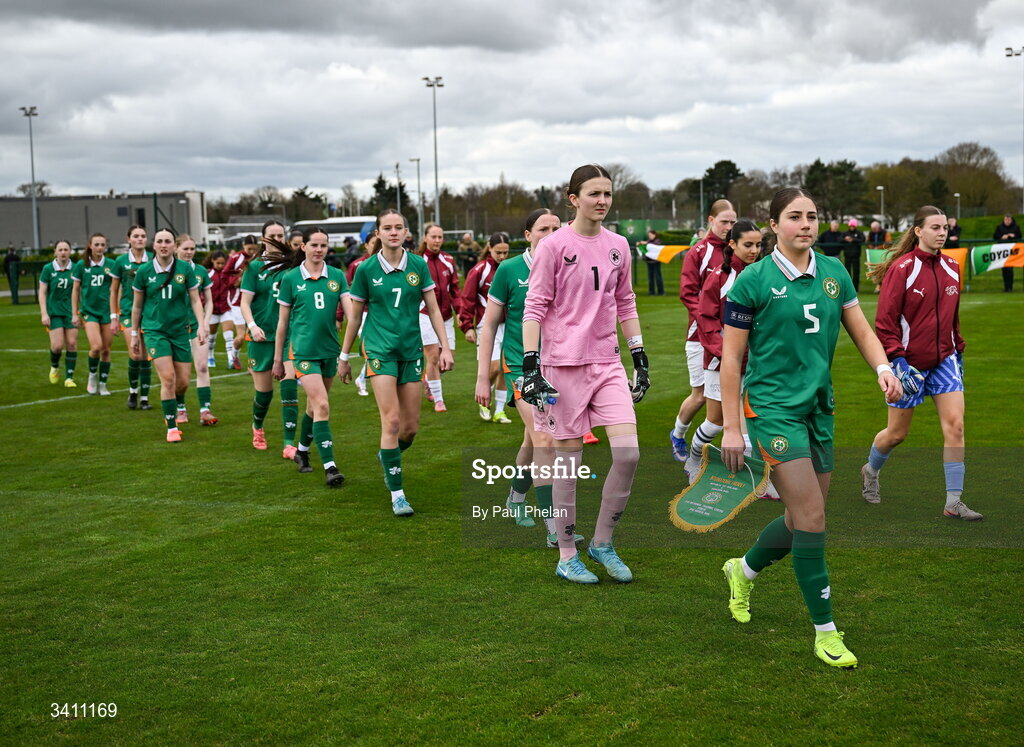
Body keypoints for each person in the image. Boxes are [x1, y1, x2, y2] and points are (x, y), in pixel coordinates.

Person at [718, 188, 902, 670]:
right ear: (773, 225)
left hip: (819, 408)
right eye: (794, 217)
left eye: (812, 216)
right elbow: (732, 358)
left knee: (803, 518)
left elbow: (861, 329)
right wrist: (732, 427)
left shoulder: (834, 272)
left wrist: (883, 368)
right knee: (814, 518)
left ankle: (743, 569)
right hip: (772, 411)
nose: (806, 224)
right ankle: (825, 632)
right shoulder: (751, 283)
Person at [520, 164, 650, 585]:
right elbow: (535, 306)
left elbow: (626, 302)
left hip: (608, 363)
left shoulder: (619, 246)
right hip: (561, 368)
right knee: (567, 464)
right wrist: (530, 364)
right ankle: (567, 553)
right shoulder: (553, 246)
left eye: (608, 194)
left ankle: (603, 542)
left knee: (628, 453)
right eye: (594, 194)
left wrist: (639, 355)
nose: (602, 201)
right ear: (573, 198)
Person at [474, 208, 585, 547]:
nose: (550, 233)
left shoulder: (570, 263)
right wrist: (482, 376)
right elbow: (489, 324)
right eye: (542, 228)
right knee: (545, 440)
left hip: (559, 367)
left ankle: (515, 499)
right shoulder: (509, 270)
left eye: (556, 227)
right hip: (520, 368)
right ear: (528, 234)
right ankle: (555, 529)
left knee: (531, 439)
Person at [862, 206, 981, 521]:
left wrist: (959, 350)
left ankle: (953, 502)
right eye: (935, 227)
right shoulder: (901, 269)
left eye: (945, 227)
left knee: (955, 426)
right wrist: (898, 363)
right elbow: (884, 324)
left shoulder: (953, 266)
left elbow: (952, 319)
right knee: (897, 434)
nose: (942, 233)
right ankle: (871, 470)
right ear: (918, 231)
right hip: (908, 365)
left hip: (946, 359)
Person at [339, 210, 454, 515]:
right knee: (390, 421)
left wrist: (445, 347)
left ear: (406, 232)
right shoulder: (365, 270)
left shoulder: (418, 265)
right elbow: (354, 317)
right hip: (379, 351)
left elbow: (433, 308)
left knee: (410, 429)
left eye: (398, 227)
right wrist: (344, 356)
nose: (393, 232)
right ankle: (397, 494)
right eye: (387, 228)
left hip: (411, 352)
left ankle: (387, 457)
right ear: (378, 232)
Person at [270, 227, 353, 486]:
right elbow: (282, 324)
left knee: (312, 407)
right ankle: (330, 467)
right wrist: (277, 360)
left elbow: (351, 314)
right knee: (323, 406)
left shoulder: (337, 276)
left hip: (329, 351)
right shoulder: (291, 278)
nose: (319, 250)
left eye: (323, 245)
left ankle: (302, 452)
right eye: (314, 245)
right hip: (303, 353)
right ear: (303, 247)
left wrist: (348, 352)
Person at [687, 220, 764, 477]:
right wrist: (726, 352)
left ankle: (755, 480)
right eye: (748, 245)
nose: (754, 250)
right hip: (721, 363)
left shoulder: (763, 274)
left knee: (754, 420)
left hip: (756, 364)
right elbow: (706, 319)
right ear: (732, 244)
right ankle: (694, 457)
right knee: (716, 422)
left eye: (758, 245)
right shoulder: (718, 277)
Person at [671, 200, 737, 461]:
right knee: (699, 396)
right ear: (711, 220)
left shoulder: (738, 251)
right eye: (724, 222)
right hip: (700, 337)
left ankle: (727, 451)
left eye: (733, 223)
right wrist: (711, 322)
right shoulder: (698, 252)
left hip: (734, 337)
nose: (729, 227)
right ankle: (678, 435)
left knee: (732, 396)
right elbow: (688, 294)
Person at [130, 229, 206, 442]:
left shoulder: (185, 270)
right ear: (153, 245)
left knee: (183, 382)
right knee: (168, 378)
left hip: (180, 331)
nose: (164, 245)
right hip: (155, 332)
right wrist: (135, 334)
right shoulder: (144, 271)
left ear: (174, 245)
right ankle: (171, 427)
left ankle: (177, 404)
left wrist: (201, 325)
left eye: (168, 241)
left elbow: (195, 299)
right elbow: (137, 307)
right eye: (160, 241)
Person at [240, 221, 300, 456]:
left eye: (280, 234)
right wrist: (252, 326)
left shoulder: (294, 265)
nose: (276, 238)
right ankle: (258, 426)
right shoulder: (254, 267)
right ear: (263, 239)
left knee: (289, 388)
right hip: (261, 337)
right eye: (271, 235)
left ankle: (288, 443)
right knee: (264, 394)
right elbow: (245, 303)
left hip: (287, 338)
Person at [459, 232, 511, 423]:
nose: (503, 256)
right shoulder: (480, 270)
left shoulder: (510, 268)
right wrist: (467, 326)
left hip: (510, 326)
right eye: (499, 252)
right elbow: (467, 298)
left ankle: (499, 410)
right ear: (489, 248)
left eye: (506, 253)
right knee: (495, 367)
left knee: (506, 368)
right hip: (486, 326)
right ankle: (483, 396)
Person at [174, 234, 217, 426]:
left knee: (202, 366)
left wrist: (205, 322)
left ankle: (205, 410)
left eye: (192, 249)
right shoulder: (170, 270)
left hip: (196, 326)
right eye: (185, 248)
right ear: (177, 249)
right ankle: (180, 409)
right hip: (175, 328)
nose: (189, 252)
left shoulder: (200, 271)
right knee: (180, 374)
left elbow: (208, 300)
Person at [417, 222, 460, 412]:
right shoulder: (417, 261)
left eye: (440, 237)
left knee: (448, 360)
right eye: (433, 237)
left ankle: (428, 378)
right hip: (424, 314)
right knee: (434, 356)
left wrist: (460, 313)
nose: (437, 240)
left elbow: (455, 290)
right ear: (425, 238)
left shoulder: (448, 260)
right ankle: (438, 400)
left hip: (446, 316)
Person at [109, 225, 152, 408]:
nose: (140, 239)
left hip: (149, 314)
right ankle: (133, 392)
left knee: (147, 356)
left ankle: (144, 398)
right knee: (136, 354)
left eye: (143, 236)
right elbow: (114, 290)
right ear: (129, 239)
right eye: (136, 236)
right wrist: (114, 316)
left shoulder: (153, 260)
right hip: (127, 312)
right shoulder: (120, 261)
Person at [71, 233, 115, 395]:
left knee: (106, 350)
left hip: (107, 312)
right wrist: (75, 313)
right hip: (89, 311)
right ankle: (92, 376)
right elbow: (75, 289)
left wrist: (116, 311)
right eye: (96, 244)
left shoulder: (111, 264)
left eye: (102, 245)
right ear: (90, 245)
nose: (100, 248)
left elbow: (116, 289)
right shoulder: (81, 265)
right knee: (96, 347)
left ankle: (103, 384)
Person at [38, 239, 78, 387]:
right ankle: (54, 367)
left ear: (70, 252)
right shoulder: (48, 269)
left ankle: (69, 378)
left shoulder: (76, 268)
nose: (63, 252)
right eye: (60, 250)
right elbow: (42, 292)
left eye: (66, 249)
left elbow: (79, 290)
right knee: (57, 346)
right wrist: (44, 313)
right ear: (55, 252)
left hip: (70, 312)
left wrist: (78, 312)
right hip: (54, 312)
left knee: (72, 344)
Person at [345, 235, 379, 397]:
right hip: (362, 314)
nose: (376, 246)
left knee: (376, 351)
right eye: (373, 243)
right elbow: (345, 293)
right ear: (366, 245)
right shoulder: (357, 265)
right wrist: (339, 316)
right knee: (371, 349)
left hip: (379, 314)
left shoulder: (385, 263)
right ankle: (363, 379)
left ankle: (362, 378)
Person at [222, 234, 257, 369]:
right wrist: (235, 282)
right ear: (243, 245)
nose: (252, 252)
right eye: (249, 249)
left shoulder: (258, 259)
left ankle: (252, 365)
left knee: (256, 334)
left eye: (254, 249)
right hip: (237, 302)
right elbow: (224, 276)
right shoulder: (235, 258)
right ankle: (234, 357)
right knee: (242, 336)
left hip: (256, 302)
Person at [206, 250, 232, 368]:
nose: (221, 266)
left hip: (226, 309)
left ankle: (231, 360)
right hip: (212, 311)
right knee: (211, 338)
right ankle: (210, 357)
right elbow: (202, 292)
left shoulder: (227, 274)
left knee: (229, 336)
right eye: (218, 263)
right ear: (212, 261)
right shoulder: (207, 274)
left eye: (223, 263)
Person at [993, 215, 1020, 291]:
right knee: (1004, 269)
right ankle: (1006, 287)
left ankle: (1010, 287)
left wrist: (1014, 236)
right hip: (1002, 251)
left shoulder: (1016, 227)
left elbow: (1019, 236)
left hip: (1012, 251)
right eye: (1006, 219)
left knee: (1010, 269)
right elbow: (995, 236)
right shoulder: (999, 227)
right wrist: (1002, 237)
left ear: (1011, 220)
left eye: (1009, 220)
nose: (1007, 221)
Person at [866, 221, 892, 294]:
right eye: (872, 229)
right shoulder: (870, 233)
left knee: (884, 270)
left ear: (878, 227)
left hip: (883, 254)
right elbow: (868, 242)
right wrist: (872, 247)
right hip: (873, 254)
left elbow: (888, 242)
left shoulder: (885, 233)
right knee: (876, 271)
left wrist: (879, 247)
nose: (873, 230)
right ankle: (878, 285)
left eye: (874, 228)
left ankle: (884, 286)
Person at [638, 229, 665, 296]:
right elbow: (645, 247)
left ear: (654, 235)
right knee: (650, 278)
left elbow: (654, 246)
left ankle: (661, 292)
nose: (650, 236)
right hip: (649, 262)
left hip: (656, 262)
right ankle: (651, 292)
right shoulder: (648, 242)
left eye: (651, 235)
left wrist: (646, 243)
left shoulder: (657, 241)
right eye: (649, 235)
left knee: (658, 277)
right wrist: (639, 244)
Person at [841, 218, 865, 291]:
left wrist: (853, 239)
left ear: (855, 226)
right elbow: (839, 239)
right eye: (851, 226)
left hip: (856, 256)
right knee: (847, 273)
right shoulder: (845, 233)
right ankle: (848, 289)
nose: (852, 227)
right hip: (847, 255)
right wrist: (845, 239)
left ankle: (856, 288)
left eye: (853, 226)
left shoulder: (859, 233)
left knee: (856, 272)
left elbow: (862, 239)